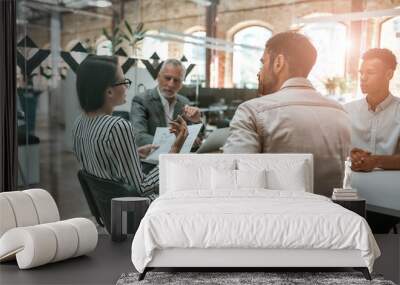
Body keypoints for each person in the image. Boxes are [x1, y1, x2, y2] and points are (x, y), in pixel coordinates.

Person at [223, 32, 351, 197]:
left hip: (274, 218)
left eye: (263, 63)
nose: (260, 72)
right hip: (331, 220)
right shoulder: (341, 112)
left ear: (278, 63)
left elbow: (234, 179)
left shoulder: (252, 111)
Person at [72, 55, 188, 200]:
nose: (127, 86)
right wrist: (174, 150)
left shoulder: (79, 123)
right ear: (109, 92)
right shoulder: (118, 126)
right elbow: (142, 188)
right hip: (133, 209)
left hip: (108, 206)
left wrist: (133, 153)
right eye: (123, 81)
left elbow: (102, 169)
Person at [344, 48, 400, 233]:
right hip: (351, 195)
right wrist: (348, 153)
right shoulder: (347, 111)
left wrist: (375, 161)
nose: (363, 77)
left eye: (370, 72)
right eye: (361, 72)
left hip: (389, 201)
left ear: (389, 74)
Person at [131, 58, 202, 147]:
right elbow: (139, 137)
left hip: (179, 158)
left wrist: (197, 121)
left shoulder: (184, 102)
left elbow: (198, 138)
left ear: (181, 84)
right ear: (158, 77)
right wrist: (176, 143)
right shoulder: (141, 100)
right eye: (167, 78)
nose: (171, 84)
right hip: (152, 158)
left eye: (176, 80)